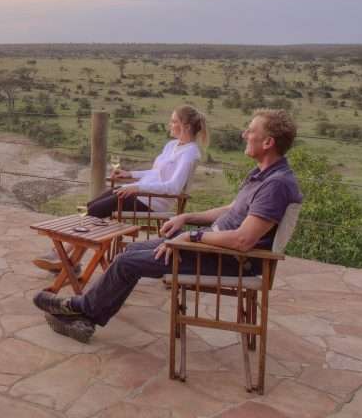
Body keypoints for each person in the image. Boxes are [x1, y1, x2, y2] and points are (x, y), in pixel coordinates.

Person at [32, 109, 304, 344]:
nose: (244, 134)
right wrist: (187, 219)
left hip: (227, 259)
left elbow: (243, 241)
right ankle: (85, 318)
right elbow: (231, 210)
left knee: (128, 263)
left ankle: (79, 309)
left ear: (268, 142)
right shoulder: (262, 175)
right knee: (128, 255)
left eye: (250, 131)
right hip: (213, 246)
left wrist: (192, 237)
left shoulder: (276, 185)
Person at [33, 105, 207, 271]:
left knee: (96, 209)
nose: (169, 124)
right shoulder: (172, 146)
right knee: (92, 206)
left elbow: (174, 187)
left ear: (185, 126)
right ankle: (70, 260)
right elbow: (156, 173)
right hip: (142, 193)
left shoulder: (190, 153)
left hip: (153, 201)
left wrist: (137, 187)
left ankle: (64, 257)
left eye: (173, 121)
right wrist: (129, 174)